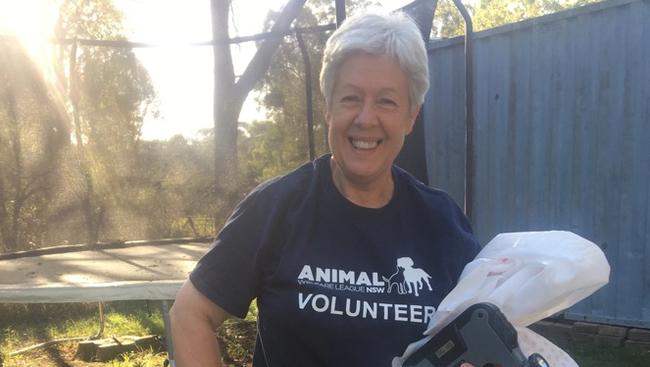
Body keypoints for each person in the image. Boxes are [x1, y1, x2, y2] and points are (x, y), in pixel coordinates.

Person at [170, 11, 481, 367]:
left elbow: (484, 333)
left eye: (386, 101)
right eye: (350, 98)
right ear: (328, 108)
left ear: (411, 115)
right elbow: (190, 314)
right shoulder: (276, 208)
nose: (366, 118)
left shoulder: (442, 222)